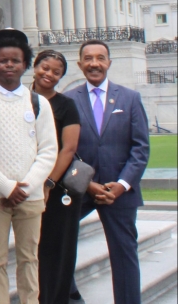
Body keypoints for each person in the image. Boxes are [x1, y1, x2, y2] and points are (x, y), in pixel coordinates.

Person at [64, 40, 149, 304]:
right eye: (88, 58)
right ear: (80, 64)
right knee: (57, 245)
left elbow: (140, 148)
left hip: (119, 192)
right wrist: (88, 183)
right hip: (80, 189)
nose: (94, 64)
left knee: (124, 256)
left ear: (109, 62)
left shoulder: (130, 98)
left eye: (100, 58)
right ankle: (72, 298)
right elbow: (65, 148)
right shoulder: (69, 100)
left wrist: (122, 184)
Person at [0, 29, 57, 304]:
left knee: (29, 259)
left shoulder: (39, 103)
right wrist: (6, 186)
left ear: (26, 64)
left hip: (30, 195)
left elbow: (49, 151)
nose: (9, 65)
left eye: (15, 60)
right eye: (3, 61)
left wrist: (26, 186)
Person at [31, 50, 81, 304]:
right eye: (45, 68)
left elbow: (69, 148)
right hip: (24, 185)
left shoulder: (65, 105)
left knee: (57, 250)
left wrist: (48, 182)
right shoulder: (20, 99)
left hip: (57, 188)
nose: (48, 74)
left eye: (56, 72)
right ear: (35, 66)